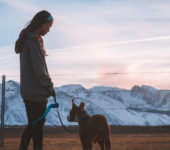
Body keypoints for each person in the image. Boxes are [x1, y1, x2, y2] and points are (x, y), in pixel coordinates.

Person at [15, 10, 56, 150]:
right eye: (49, 26)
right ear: (42, 23)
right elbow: (40, 70)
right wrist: (50, 87)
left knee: (34, 124)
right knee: (37, 126)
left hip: (29, 90)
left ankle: (23, 147)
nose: (49, 30)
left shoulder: (30, 39)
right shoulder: (33, 41)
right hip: (36, 92)